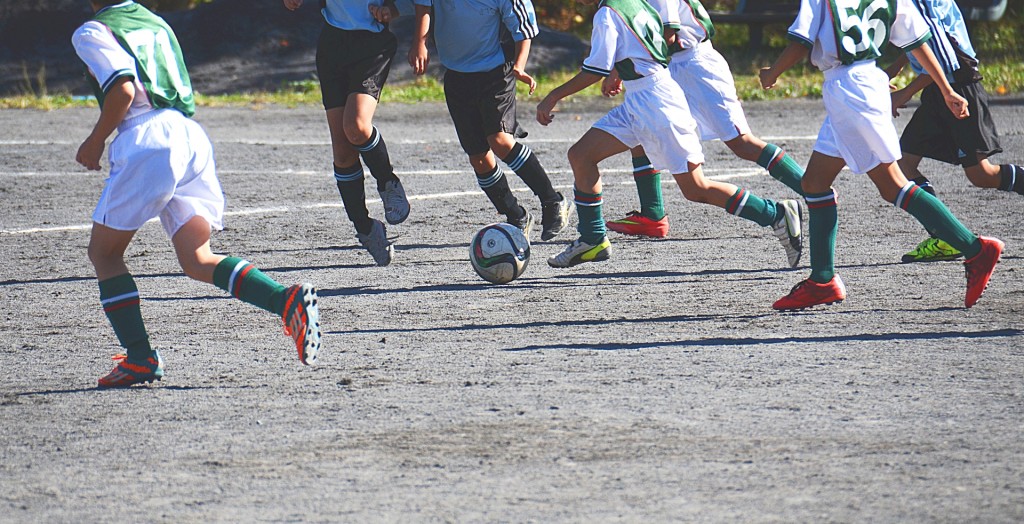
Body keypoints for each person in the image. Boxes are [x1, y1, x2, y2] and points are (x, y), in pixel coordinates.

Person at [74, 0, 322, 387]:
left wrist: (94, 141)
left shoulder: (92, 30)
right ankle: (283, 300)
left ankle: (140, 357)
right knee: (197, 258)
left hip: (147, 138)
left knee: (104, 253)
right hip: (188, 134)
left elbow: (123, 88)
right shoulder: (153, 20)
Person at [759, 0, 1003, 310]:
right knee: (815, 183)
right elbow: (918, 41)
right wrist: (946, 89)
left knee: (893, 185)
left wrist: (773, 72)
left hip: (849, 89)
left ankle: (975, 249)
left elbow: (801, 42)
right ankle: (822, 281)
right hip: (864, 83)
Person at [536, 0, 801, 269]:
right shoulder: (632, 3)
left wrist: (553, 96)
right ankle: (593, 239)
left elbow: (595, 69)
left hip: (657, 103)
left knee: (696, 188)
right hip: (643, 97)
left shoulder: (608, 13)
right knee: (581, 155)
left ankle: (776, 215)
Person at [404, 0, 572, 240]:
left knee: (500, 141)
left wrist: (520, 66)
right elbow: (424, 6)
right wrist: (419, 43)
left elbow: (523, 30)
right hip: (457, 76)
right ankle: (516, 215)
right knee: (479, 158)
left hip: (495, 72)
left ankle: (552, 201)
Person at [886, 0, 1024, 262]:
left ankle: (950, 237)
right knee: (903, 165)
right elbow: (916, 37)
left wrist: (905, 93)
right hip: (941, 90)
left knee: (982, 174)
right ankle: (946, 237)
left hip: (958, 88)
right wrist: (893, 69)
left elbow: (943, 57)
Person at [283, 0, 412, 266]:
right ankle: (365, 228)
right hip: (333, 43)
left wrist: (393, 8)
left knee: (356, 126)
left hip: (372, 44)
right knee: (342, 152)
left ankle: (388, 182)